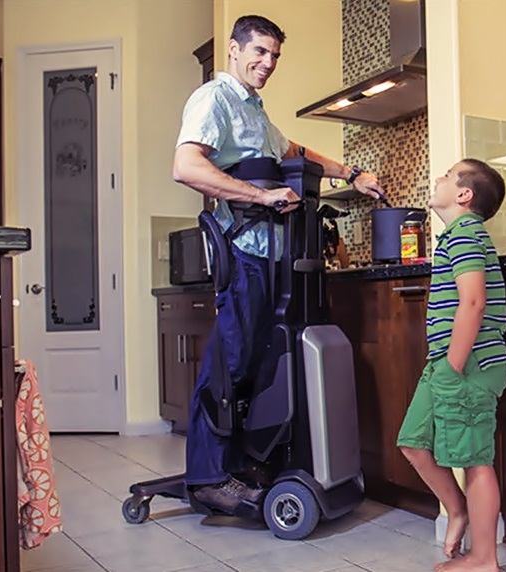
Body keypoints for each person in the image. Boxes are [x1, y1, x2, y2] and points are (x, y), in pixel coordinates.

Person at [171, 14, 384, 514]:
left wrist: (350, 171)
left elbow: (293, 150)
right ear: (234, 48)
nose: (267, 64)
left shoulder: (255, 113)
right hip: (243, 252)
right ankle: (207, 477)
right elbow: (186, 166)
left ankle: (244, 463)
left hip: (273, 257)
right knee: (231, 363)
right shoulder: (215, 99)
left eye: (274, 56)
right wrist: (261, 197)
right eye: (259, 52)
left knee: (262, 364)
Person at [396, 159, 506, 572]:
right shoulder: (455, 237)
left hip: (468, 363)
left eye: (446, 176)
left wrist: (454, 365)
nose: (436, 179)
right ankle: (457, 510)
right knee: (413, 441)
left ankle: (484, 559)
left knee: (474, 459)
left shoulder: (464, 235)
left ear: (464, 195)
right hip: (448, 361)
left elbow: (474, 301)